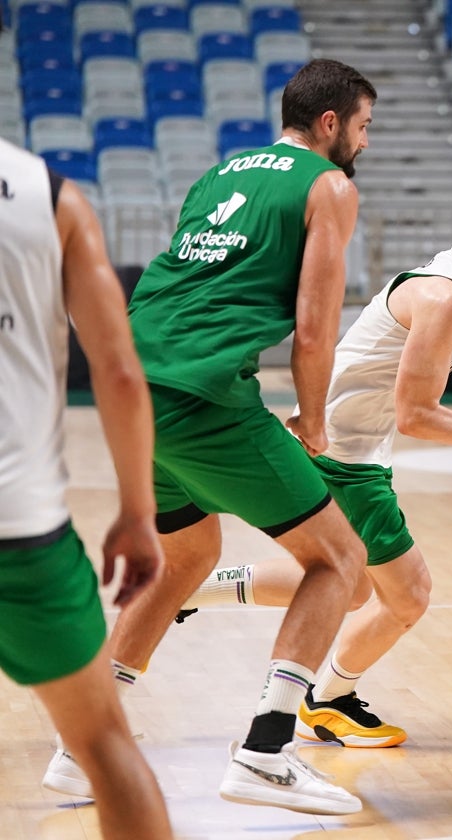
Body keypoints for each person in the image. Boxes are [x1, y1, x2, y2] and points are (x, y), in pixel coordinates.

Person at [171, 173, 452, 747]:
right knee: (405, 594)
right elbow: (416, 416)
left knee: (351, 585)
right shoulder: (445, 297)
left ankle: (199, 589)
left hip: (353, 447)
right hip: (341, 453)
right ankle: (324, 698)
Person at [42, 58, 378, 815]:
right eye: (362, 126)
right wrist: (314, 417)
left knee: (188, 555)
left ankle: (79, 751)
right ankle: (265, 750)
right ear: (330, 124)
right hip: (199, 396)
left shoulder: (220, 172)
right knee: (341, 561)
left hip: (128, 383)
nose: (364, 141)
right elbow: (316, 327)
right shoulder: (329, 186)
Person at [0, 139, 174, 838]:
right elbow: (120, 372)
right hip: (23, 528)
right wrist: (137, 512)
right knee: (102, 744)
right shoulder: (50, 195)